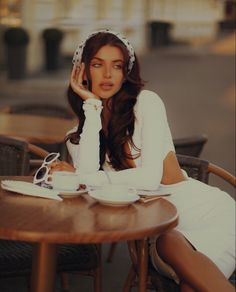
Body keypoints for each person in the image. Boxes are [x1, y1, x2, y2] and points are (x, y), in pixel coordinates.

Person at [51, 29, 235, 291]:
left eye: (117, 66)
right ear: (82, 72)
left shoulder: (147, 103)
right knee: (169, 244)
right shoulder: (77, 136)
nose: (107, 75)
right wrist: (91, 105)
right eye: (97, 65)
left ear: (126, 72)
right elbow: (89, 187)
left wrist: (85, 179)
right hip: (162, 232)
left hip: (209, 213)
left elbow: (149, 178)